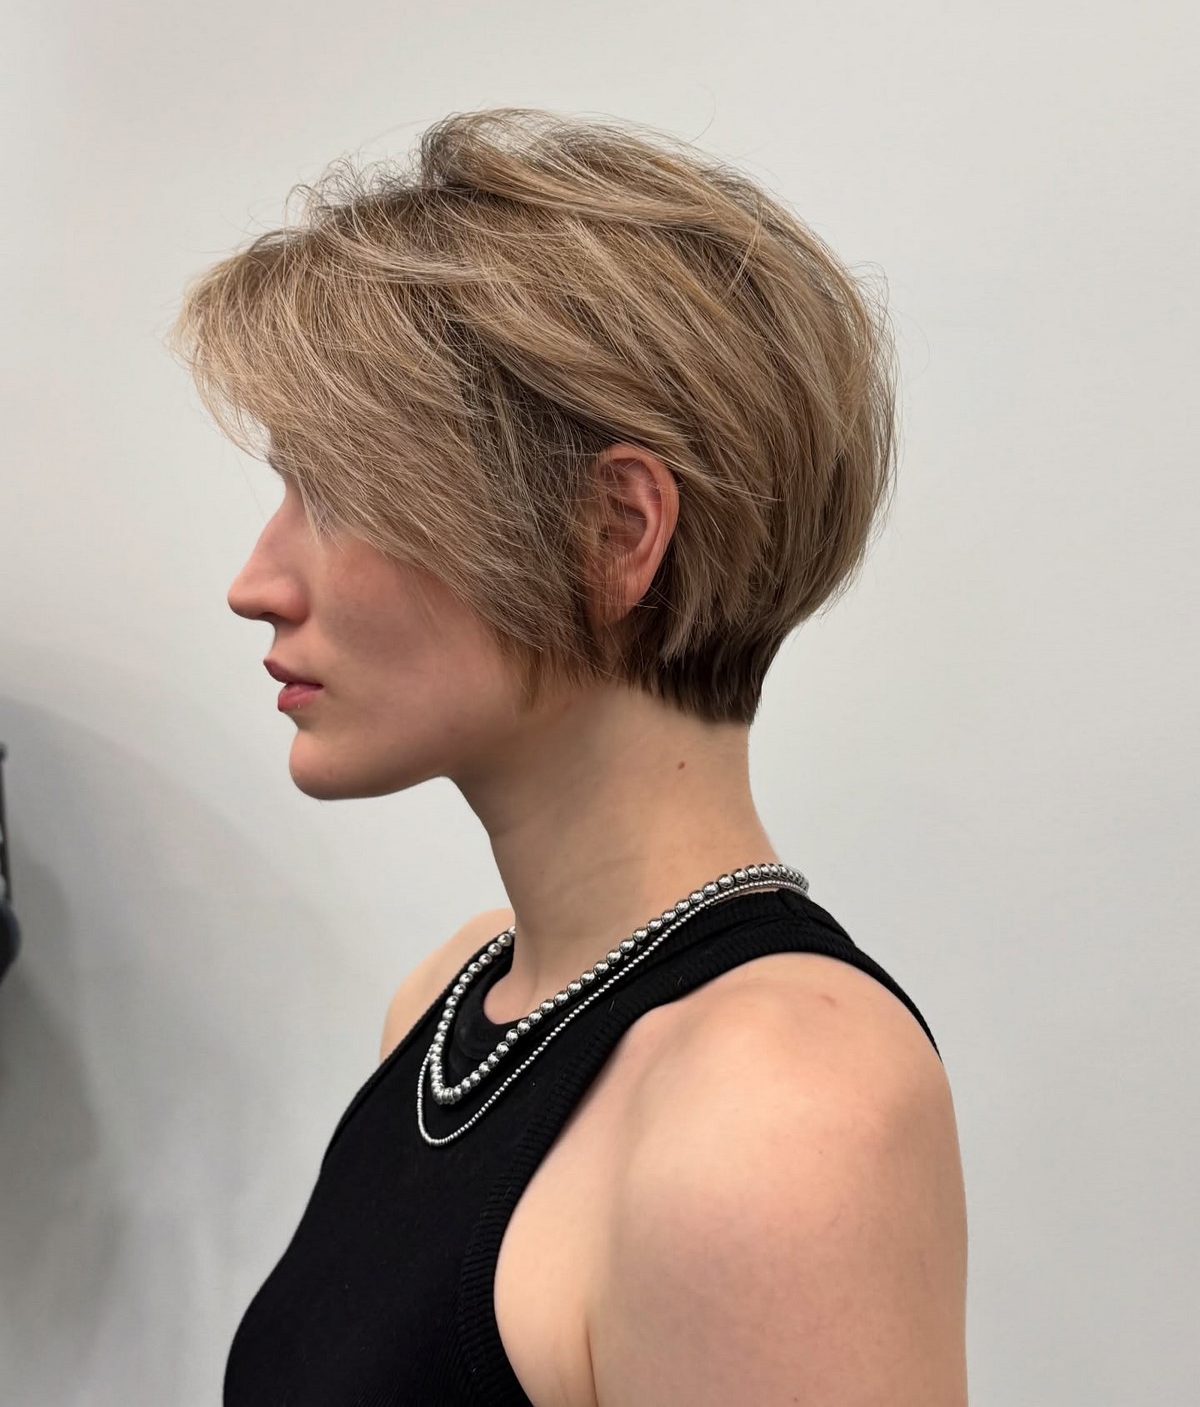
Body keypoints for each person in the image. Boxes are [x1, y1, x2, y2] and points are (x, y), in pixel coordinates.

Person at [170, 107, 968, 1406]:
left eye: (337, 491)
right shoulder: (451, 1006)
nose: (256, 582)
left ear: (614, 531)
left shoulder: (779, 1111)